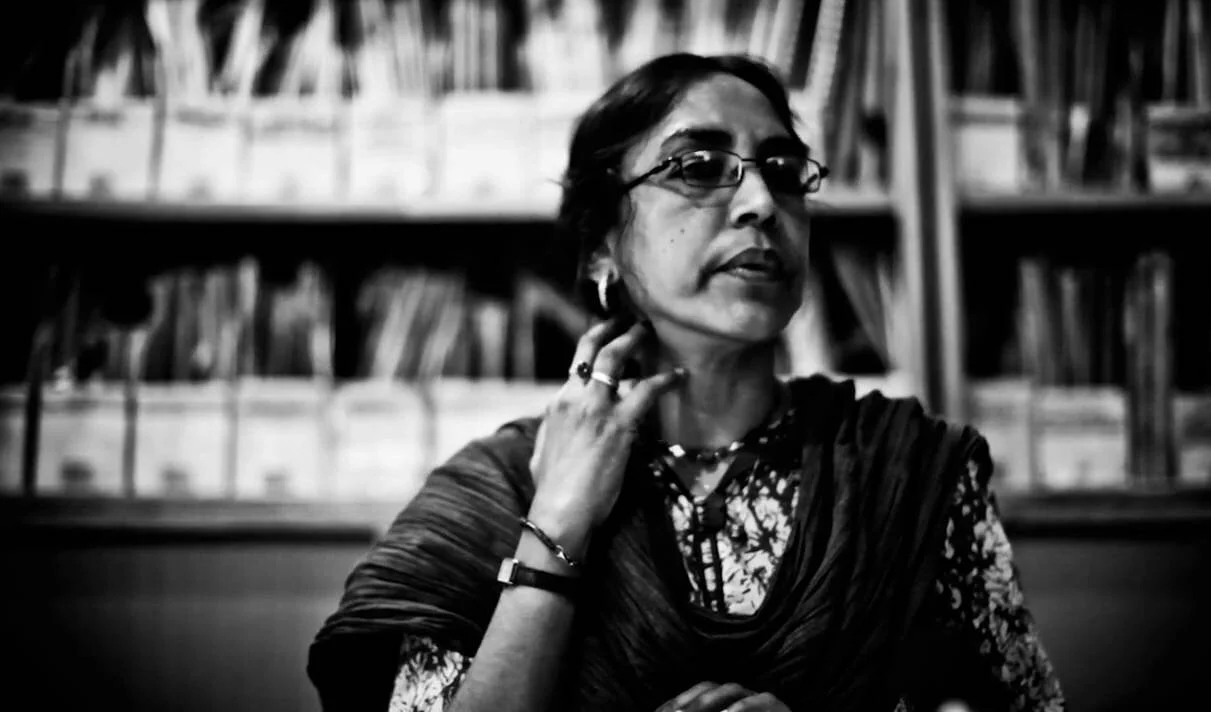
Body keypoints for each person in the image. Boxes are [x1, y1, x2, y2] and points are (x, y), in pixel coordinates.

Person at [308, 53, 1066, 712]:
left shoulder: (908, 470)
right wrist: (557, 524)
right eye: (698, 167)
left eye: (783, 172)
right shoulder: (495, 489)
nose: (762, 204)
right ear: (603, 246)